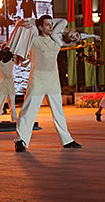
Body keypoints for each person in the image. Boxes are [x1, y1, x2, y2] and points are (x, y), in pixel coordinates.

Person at [14, 15, 81, 152]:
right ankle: (21, 140)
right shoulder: (34, 39)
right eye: (47, 25)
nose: (51, 27)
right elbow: (21, 30)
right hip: (37, 79)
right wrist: (20, 23)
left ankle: (67, 140)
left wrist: (92, 36)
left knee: (59, 112)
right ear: (40, 27)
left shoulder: (57, 39)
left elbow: (66, 26)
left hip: (53, 80)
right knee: (29, 111)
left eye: (52, 24)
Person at [0, 17, 100, 64]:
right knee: (24, 27)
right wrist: (93, 35)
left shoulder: (61, 39)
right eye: (76, 35)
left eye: (74, 39)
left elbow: (57, 37)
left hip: (36, 33)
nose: (74, 37)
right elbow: (53, 33)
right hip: (33, 24)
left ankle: (10, 54)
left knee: (30, 50)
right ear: (74, 30)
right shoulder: (63, 22)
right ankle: (7, 49)